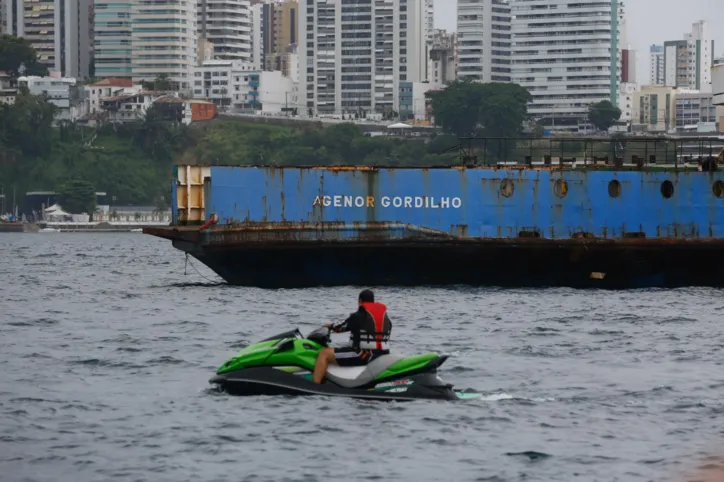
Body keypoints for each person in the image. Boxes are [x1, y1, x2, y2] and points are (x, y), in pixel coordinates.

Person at [312, 289, 392, 384]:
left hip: (364, 355)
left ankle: (315, 385)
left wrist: (330, 326)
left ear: (360, 301)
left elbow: (341, 327)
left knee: (324, 353)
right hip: (382, 354)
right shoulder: (385, 317)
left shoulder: (359, 315)